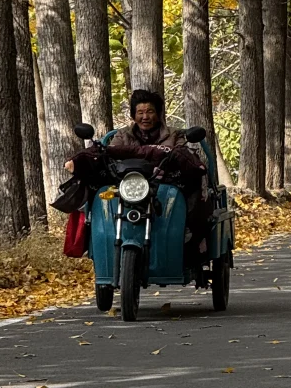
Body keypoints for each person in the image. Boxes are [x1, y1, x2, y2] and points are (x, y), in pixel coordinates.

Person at [67, 90, 210, 263]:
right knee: (98, 192)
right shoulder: (122, 135)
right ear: (133, 115)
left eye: (150, 111)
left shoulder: (175, 135)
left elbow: (183, 156)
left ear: (158, 113)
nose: (145, 117)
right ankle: (98, 237)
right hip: (130, 185)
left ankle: (188, 235)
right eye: (140, 112)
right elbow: (110, 154)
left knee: (192, 189)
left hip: (164, 186)